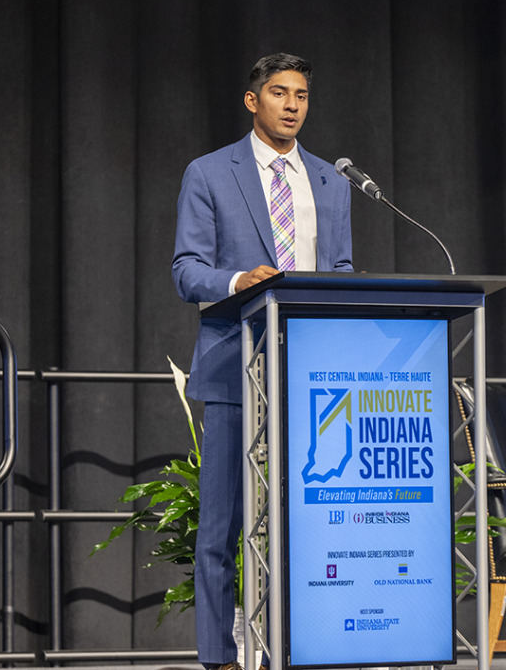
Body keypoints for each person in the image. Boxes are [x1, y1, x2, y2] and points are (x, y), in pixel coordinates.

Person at [172, 52, 354, 670]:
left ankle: (308, 645)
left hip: (311, 369)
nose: (292, 105)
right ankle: (219, 657)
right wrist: (238, 280)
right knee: (222, 525)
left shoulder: (331, 181)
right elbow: (187, 269)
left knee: (310, 518)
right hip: (234, 362)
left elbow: (341, 270)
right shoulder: (209, 172)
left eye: (301, 94)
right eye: (279, 93)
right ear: (254, 101)